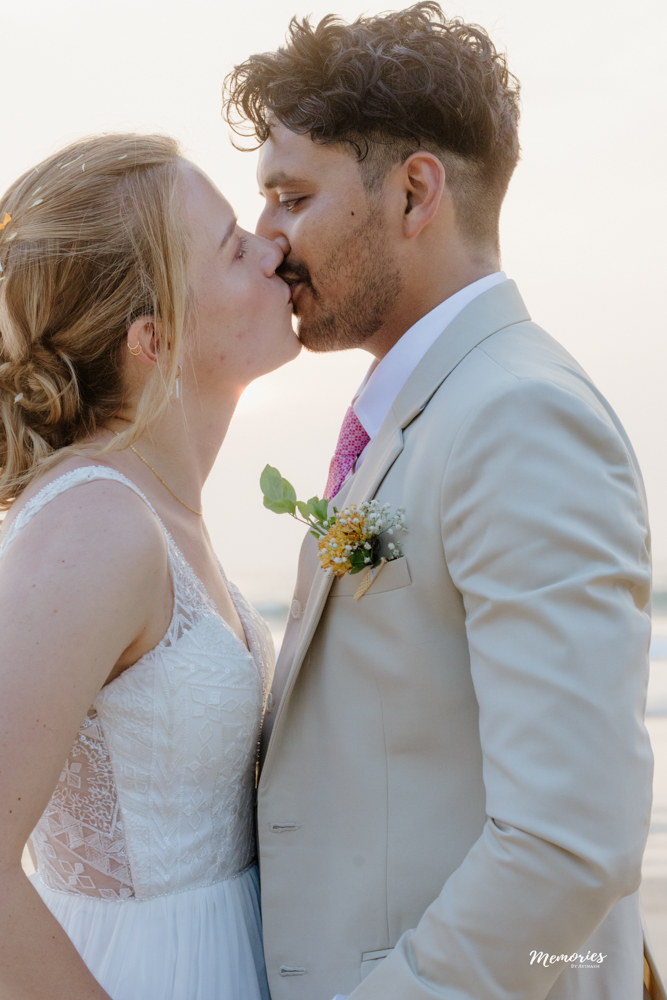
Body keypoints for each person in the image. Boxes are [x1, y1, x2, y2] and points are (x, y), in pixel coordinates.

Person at [223, 4, 660, 999]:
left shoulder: (520, 418)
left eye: (292, 196)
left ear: (415, 193)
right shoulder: (429, 409)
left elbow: (567, 838)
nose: (266, 237)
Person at [0, 132, 299, 1000]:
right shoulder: (95, 524)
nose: (272, 248)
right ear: (154, 338)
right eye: (232, 247)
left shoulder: (160, 511)